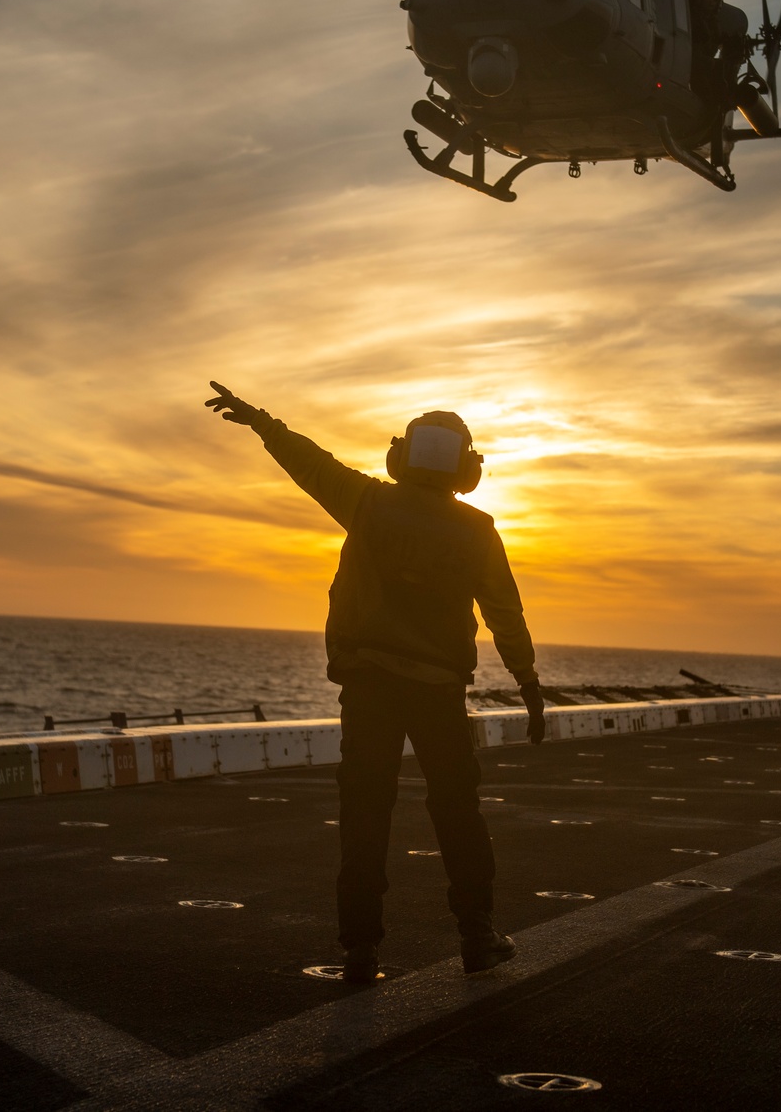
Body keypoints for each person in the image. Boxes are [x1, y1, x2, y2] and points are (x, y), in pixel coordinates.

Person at [204, 381, 545, 982]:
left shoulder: (367, 503)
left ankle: (359, 952)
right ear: (467, 470)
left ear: (400, 457)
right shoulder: (478, 530)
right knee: (458, 813)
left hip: (369, 688)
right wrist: (528, 683)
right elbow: (505, 616)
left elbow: (308, 461)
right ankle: (477, 936)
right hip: (440, 693)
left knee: (365, 817)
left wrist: (261, 421)